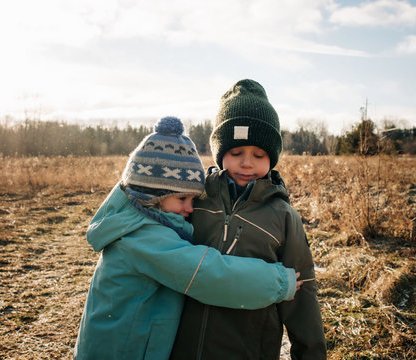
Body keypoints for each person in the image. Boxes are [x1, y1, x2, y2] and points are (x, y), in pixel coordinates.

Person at [73, 116, 301, 360]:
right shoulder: (144, 239)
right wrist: (277, 281)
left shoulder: (136, 222)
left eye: (193, 200)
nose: (190, 209)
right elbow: (208, 274)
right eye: (182, 199)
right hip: (120, 351)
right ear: (153, 196)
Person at [170, 80, 327, 359]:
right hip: (183, 347)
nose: (247, 163)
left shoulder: (284, 218)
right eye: (236, 153)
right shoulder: (194, 201)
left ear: (272, 157)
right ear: (220, 154)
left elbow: (303, 299)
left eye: (259, 154)